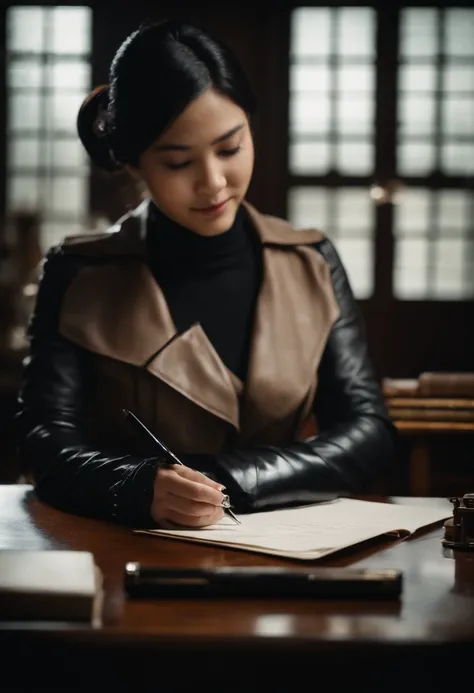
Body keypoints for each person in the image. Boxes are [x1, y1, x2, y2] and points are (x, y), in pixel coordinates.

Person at [16, 19, 397, 530]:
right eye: (178, 163)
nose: (213, 183)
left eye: (230, 149)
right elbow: (46, 445)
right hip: (130, 553)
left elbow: (368, 431)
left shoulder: (311, 260)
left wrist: (232, 477)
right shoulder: (79, 273)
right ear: (134, 164)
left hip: (288, 553)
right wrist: (135, 487)